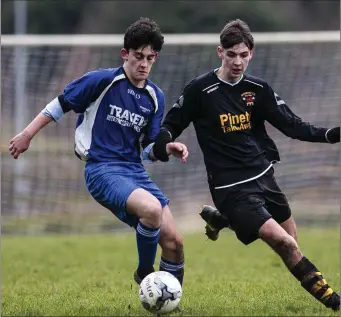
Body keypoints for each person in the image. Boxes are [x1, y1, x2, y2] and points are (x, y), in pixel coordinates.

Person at [153, 19, 340, 311]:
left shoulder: (258, 89)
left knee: (293, 242)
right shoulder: (200, 90)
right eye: (231, 55)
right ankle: (334, 301)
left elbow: (293, 126)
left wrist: (331, 135)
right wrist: (166, 144)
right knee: (285, 245)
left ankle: (226, 220)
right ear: (220, 52)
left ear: (251, 53)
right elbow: (170, 125)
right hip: (230, 187)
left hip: (264, 176)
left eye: (243, 55)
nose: (238, 62)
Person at [9, 18, 188, 288]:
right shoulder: (103, 80)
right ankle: (145, 274)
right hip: (101, 169)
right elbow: (60, 104)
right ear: (125, 54)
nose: (144, 64)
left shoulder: (155, 96)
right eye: (138, 56)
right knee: (151, 210)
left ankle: (169, 303)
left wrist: (167, 149)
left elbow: (148, 148)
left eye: (150, 58)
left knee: (174, 242)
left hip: (134, 171)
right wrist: (26, 135)